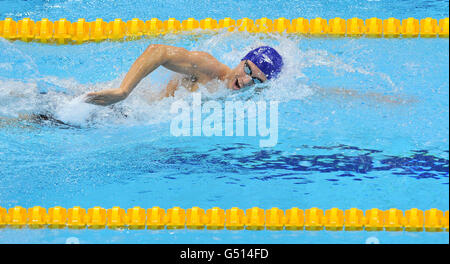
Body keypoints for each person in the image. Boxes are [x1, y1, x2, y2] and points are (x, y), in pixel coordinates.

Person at [84, 44, 284, 106]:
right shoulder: (209, 68)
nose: (247, 80)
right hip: (123, 111)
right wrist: (123, 91)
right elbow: (157, 51)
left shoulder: (248, 95)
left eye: (257, 80)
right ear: (242, 60)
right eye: (248, 70)